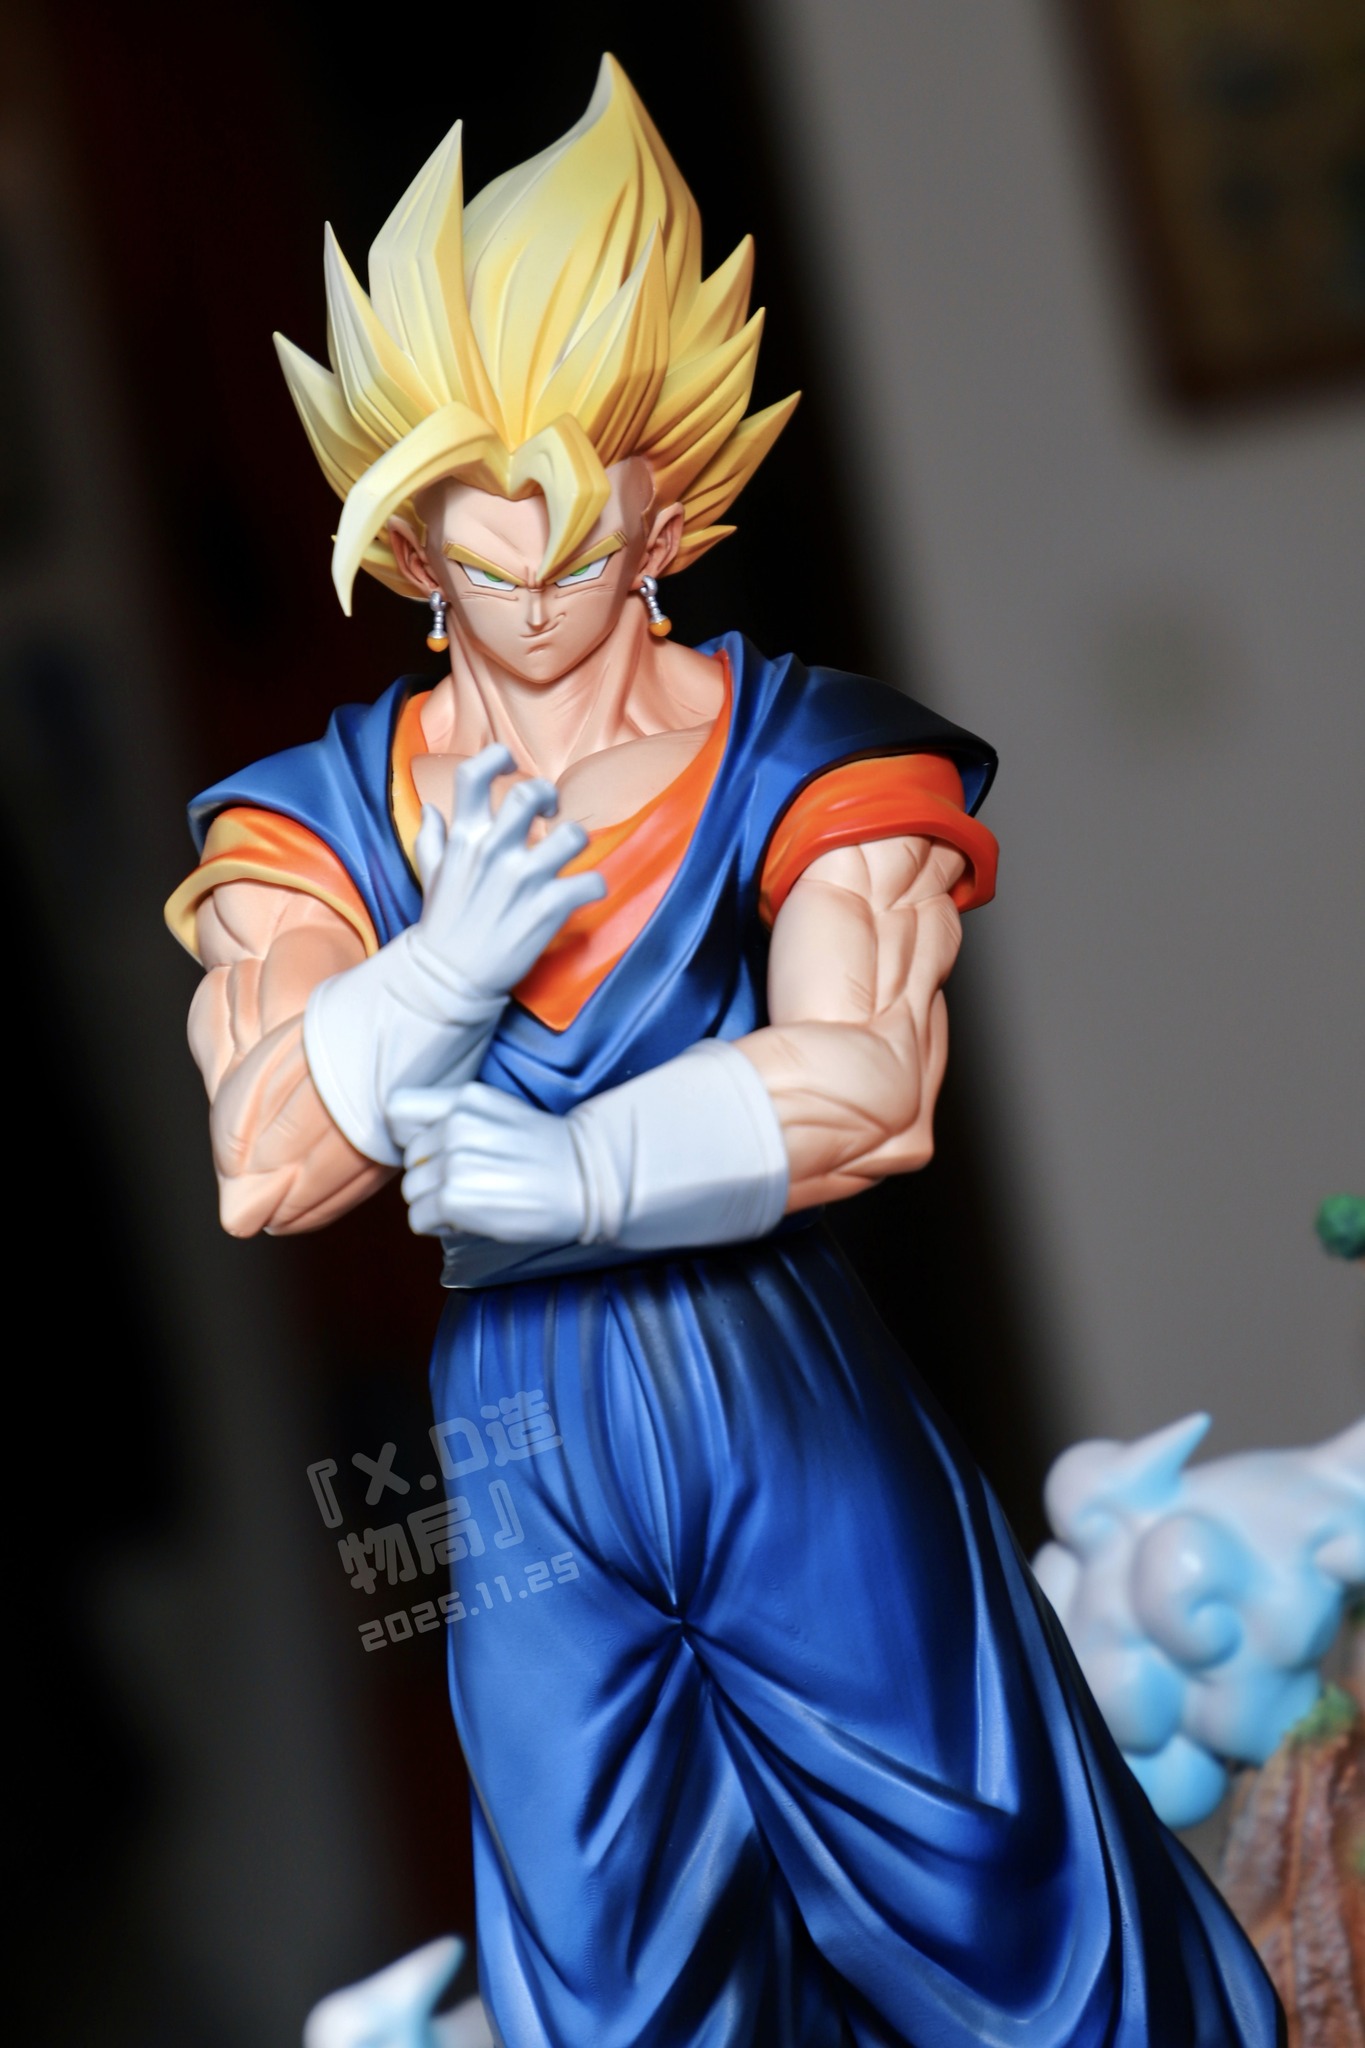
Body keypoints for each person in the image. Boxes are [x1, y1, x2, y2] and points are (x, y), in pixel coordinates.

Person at [167, 57, 1280, 2048]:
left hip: (775, 1384)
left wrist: (585, 1172)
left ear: (662, 502)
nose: (522, 580)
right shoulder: (314, 818)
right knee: (603, 1958)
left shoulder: (805, 749)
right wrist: (442, 974)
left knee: (986, 1887)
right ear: (405, 532)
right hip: (514, 1447)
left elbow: (871, 1080)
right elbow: (263, 1159)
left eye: (567, 519)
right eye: (470, 527)